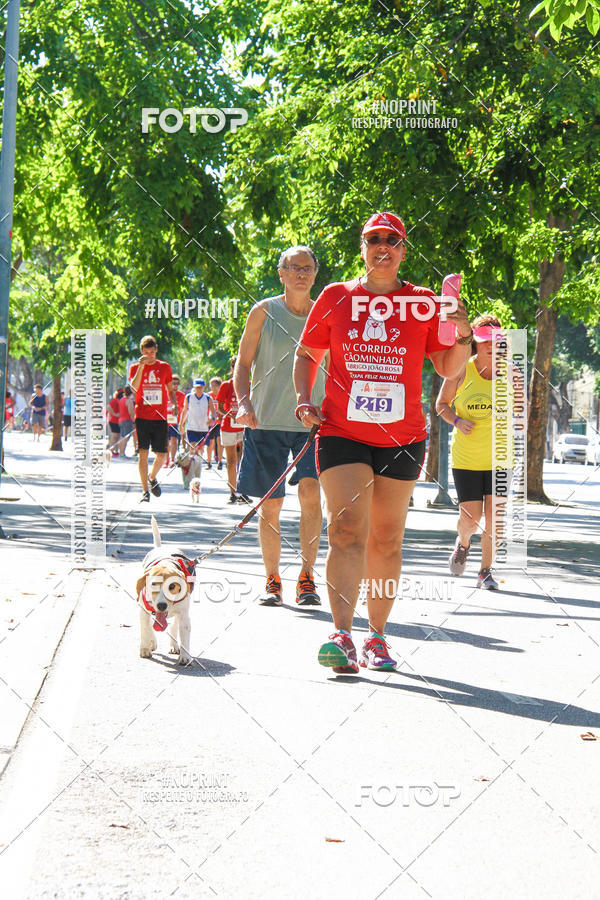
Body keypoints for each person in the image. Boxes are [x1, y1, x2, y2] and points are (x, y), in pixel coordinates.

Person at [293, 211, 473, 672]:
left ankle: (377, 638)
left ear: (403, 250)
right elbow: (308, 354)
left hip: (404, 436)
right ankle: (341, 635)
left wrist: (463, 329)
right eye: (374, 238)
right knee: (347, 528)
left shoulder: (423, 302)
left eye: (393, 240)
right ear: (363, 246)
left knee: (387, 538)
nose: (383, 246)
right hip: (342, 431)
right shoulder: (336, 297)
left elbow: (449, 368)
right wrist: (302, 398)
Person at [235, 245, 326, 606]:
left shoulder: (327, 313)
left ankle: (306, 577)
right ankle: (272, 579)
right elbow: (242, 365)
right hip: (265, 420)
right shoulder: (263, 311)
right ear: (282, 273)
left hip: (313, 424)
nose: (302, 273)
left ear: (315, 273)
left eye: (308, 268)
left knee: (310, 496)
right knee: (270, 505)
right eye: (294, 267)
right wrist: (244, 404)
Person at [437, 314, 516, 590]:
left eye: (497, 343)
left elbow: (522, 409)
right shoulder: (461, 370)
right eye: (485, 343)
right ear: (476, 344)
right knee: (471, 519)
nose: (492, 348)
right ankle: (463, 542)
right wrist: (457, 421)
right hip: (467, 458)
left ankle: (485, 571)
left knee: (495, 518)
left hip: (500, 458)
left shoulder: (511, 373)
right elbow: (442, 405)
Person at [128, 335, 176, 502]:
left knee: (162, 454)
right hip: (142, 416)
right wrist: (141, 367)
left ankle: (152, 476)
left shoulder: (164, 367)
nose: (149, 355)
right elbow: (134, 388)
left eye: (152, 352)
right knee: (143, 453)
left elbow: (170, 389)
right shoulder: (135, 367)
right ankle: (144, 491)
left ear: (156, 350)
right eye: (146, 352)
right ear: (142, 352)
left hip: (160, 416)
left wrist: (175, 404)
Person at [216, 356, 248, 504]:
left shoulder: (250, 384)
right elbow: (220, 406)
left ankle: (242, 491)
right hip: (229, 426)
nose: (238, 369)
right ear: (231, 368)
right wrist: (231, 415)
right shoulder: (226, 385)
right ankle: (232, 492)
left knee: (243, 459)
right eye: (235, 366)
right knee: (231, 461)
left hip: (244, 427)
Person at [179, 378, 217, 453]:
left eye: (200, 387)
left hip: (203, 428)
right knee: (193, 445)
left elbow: (213, 412)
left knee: (200, 448)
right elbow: (185, 411)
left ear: (204, 387)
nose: (199, 389)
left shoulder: (208, 398)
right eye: (197, 387)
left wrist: (212, 419)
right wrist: (181, 424)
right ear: (194, 387)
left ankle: (198, 464)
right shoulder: (189, 397)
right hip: (191, 427)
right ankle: (192, 463)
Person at [166, 374, 186, 465]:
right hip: (165, 421)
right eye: (173, 383)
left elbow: (184, 409)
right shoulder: (165, 394)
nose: (175, 385)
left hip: (175, 422)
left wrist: (182, 421)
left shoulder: (181, 395)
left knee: (174, 440)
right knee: (165, 441)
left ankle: (172, 459)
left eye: (177, 383)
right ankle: (166, 460)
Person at [206, 377, 223, 469]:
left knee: (219, 441)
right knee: (210, 442)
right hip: (211, 423)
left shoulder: (222, 395)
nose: (212, 387)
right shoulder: (208, 396)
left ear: (219, 386)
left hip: (220, 422)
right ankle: (209, 462)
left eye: (215, 385)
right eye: (211, 385)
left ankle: (220, 462)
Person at [118, 385, 135, 457]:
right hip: (127, 421)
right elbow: (131, 412)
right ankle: (122, 453)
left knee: (122, 437)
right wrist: (134, 421)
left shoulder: (121, 399)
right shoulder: (129, 401)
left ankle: (121, 452)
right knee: (125, 437)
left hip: (121, 420)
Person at [107, 390, 123, 456]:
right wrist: (114, 414)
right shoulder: (115, 400)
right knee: (114, 436)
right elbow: (108, 407)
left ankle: (115, 451)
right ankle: (111, 450)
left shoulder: (120, 400)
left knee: (117, 437)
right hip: (114, 421)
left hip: (118, 421)